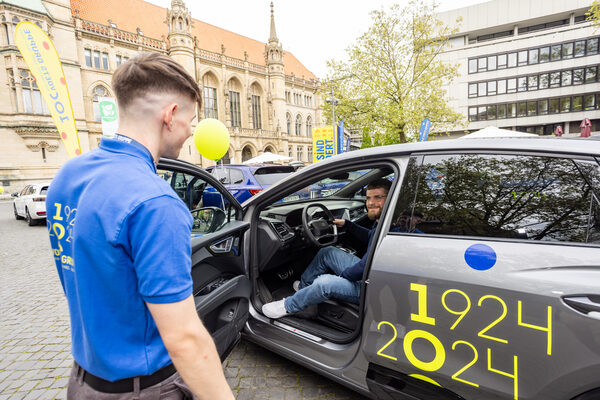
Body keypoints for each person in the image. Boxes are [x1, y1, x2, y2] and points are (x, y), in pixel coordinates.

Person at [46, 53, 234, 399]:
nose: (191, 132)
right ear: (171, 114)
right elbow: (184, 339)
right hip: (144, 389)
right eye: (191, 120)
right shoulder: (156, 203)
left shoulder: (67, 177)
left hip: (83, 383)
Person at [262, 179, 392, 319]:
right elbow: (369, 237)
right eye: (368, 198)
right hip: (372, 276)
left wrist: (341, 278)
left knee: (324, 282)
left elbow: (364, 267)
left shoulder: (394, 227)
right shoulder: (386, 220)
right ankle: (304, 288)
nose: (370, 203)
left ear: (391, 197)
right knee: (327, 252)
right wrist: (348, 225)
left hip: (371, 288)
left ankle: (289, 306)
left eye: (378, 197)